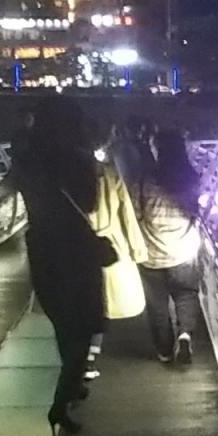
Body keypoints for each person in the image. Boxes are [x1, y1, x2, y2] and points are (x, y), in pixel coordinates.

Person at [3, 99, 106, 434]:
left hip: (42, 250)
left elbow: (2, 192)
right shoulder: (78, 157)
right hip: (76, 251)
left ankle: (72, 387)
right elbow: (89, 203)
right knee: (83, 327)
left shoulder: (27, 158)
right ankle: (60, 404)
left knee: (63, 322)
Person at [135, 129, 203, 364]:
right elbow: (197, 212)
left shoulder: (145, 180)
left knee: (157, 304)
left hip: (151, 252)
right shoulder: (192, 179)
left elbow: (136, 213)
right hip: (183, 250)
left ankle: (164, 350)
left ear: (158, 150)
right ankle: (184, 335)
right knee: (186, 294)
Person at [88, 157, 149, 377]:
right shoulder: (110, 174)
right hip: (112, 245)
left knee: (84, 302)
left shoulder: (62, 173)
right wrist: (137, 250)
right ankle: (91, 355)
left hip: (77, 246)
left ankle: (85, 358)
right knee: (103, 301)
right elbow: (127, 214)